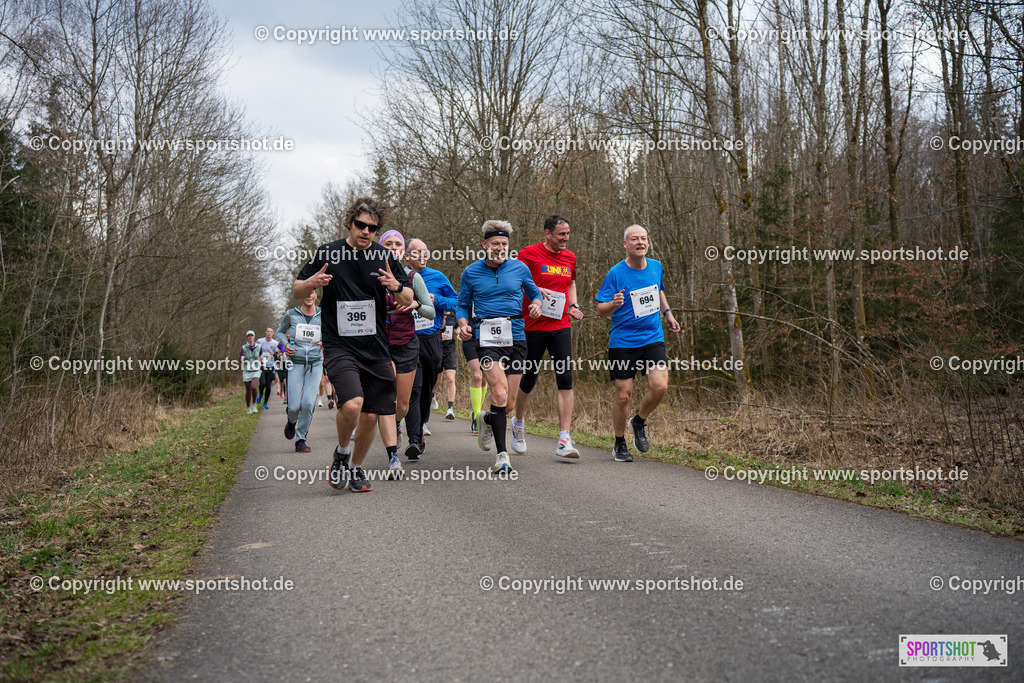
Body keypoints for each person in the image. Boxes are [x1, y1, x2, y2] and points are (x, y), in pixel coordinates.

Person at [293, 196, 412, 493]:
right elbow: (297, 288)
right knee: (353, 404)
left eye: (372, 227)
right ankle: (342, 453)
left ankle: (356, 468)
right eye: (360, 225)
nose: (366, 231)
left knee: (372, 414)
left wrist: (396, 287)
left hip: (376, 348)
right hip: (340, 345)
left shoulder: (384, 257)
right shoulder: (328, 253)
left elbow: (409, 299)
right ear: (350, 222)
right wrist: (312, 284)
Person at [456, 220, 543, 473]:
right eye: (495, 244)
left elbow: (534, 293)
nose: (500, 248)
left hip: (516, 337)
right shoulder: (471, 272)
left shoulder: (520, 268)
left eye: (504, 244)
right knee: (500, 392)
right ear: (485, 244)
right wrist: (463, 323)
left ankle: (486, 418)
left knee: (509, 404)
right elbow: (462, 305)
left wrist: (536, 304)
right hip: (487, 338)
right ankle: (502, 455)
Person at [596, 225, 681, 462]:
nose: (640, 242)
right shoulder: (616, 273)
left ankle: (639, 421)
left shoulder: (656, 266)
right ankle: (619, 442)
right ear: (626, 244)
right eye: (635, 239)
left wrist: (669, 314)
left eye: (643, 238)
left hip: (652, 337)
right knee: (624, 395)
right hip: (623, 341)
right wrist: (613, 303)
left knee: (660, 386)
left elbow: (659, 291)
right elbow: (600, 310)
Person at [512, 214, 584, 458]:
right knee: (529, 378)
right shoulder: (529, 254)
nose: (566, 238)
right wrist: (535, 290)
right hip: (532, 326)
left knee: (565, 378)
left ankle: (564, 438)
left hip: (560, 325)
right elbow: (515, 280)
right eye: (561, 234)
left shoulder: (570, 257)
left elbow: (571, 283)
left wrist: (573, 306)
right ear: (548, 233)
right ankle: (518, 424)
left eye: (568, 233)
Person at [379, 229, 435, 475]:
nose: (393, 248)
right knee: (385, 398)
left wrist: (418, 305)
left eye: (397, 244)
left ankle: (397, 425)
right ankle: (393, 456)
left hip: (407, 345)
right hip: (379, 346)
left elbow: (431, 312)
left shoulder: (413, 277)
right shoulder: (370, 276)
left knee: (401, 406)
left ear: (403, 251)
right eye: (388, 244)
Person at [403, 238, 458, 459]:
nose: (423, 256)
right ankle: (414, 439)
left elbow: (457, 301)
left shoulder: (437, 277)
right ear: (407, 256)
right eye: (417, 252)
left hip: (432, 339)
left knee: (427, 389)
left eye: (426, 252)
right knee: (414, 389)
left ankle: (422, 424)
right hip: (408, 339)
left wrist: (437, 301)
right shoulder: (400, 278)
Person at [277, 289, 323, 453]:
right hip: (295, 363)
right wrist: (286, 345)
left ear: (316, 295)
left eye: (312, 292)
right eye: (306, 292)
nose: (309, 296)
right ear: (300, 296)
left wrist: (325, 342)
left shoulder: (322, 315)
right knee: (294, 407)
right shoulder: (291, 314)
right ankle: (291, 420)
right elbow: (280, 332)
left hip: (315, 364)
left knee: (309, 403)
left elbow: (331, 334)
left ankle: (301, 439)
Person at [435, 310, 458, 420]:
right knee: (437, 380)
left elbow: (457, 328)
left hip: (449, 351)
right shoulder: (435, 311)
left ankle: (450, 408)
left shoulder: (454, 313)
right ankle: (432, 395)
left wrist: (460, 333)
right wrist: (438, 335)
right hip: (436, 349)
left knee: (451, 378)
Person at [256, 328, 280, 409]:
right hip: (262, 366)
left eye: (271, 332)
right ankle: (261, 393)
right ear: (265, 332)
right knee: (262, 383)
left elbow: (278, 355)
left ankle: (265, 402)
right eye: (268, 331)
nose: (269, 333)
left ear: (273, 333)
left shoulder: (275, 343)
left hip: (271, 367)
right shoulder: (260, 341)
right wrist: (260, 356)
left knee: (268, 386)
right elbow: (255, 351)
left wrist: (274, 354)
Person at [240, 331, 262, 413]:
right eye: (248, 336)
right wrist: (242, 358)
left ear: (254, 337)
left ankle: (254, 404)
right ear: (247, 337)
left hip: (256, 370)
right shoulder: (243, 347)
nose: (250, 337)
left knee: (253, 387)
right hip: (247, 370)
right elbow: (240, 358)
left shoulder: (259, 346)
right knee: (248, 390)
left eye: (251, 335)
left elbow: (261, 355)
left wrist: (262, 359)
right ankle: (248, 407)